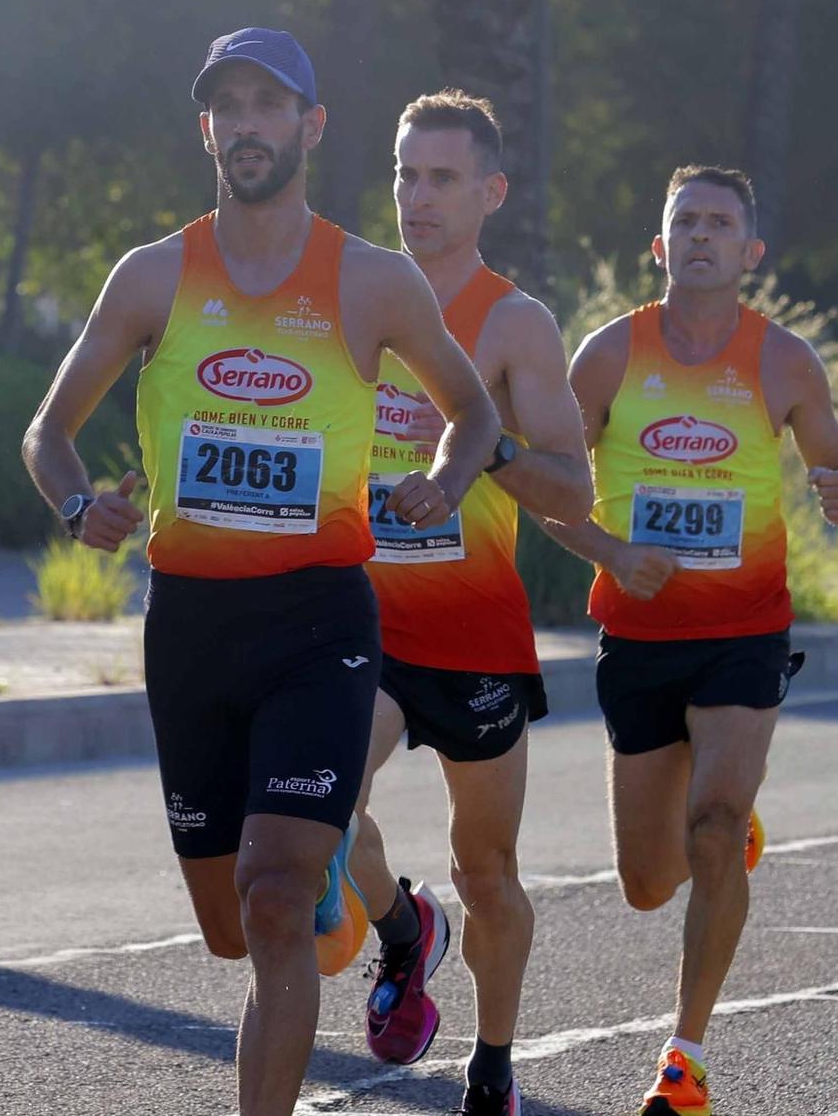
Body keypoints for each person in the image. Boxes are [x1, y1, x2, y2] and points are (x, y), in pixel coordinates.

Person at [23, 29, 499, 1116]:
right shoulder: (151, 276)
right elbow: (49, 430)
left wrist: (442, 478)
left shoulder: (370, 281)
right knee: (233, 924)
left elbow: (471, 411)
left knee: (274, 901)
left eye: (268, 104)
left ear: (309, 126)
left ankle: (321, 899)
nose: (245, 122)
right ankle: (396, 921)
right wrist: (72, 504)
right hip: (188, 623)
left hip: (316, 618)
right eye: (226, 105)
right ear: (206, 129)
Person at [544, 166, 838, 1116]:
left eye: (720, 223)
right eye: (684, 221)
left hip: (745, 631)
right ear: (660, 245)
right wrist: (610, 547)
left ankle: (684, 1061)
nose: (700, 235)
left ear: (750, 252)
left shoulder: (784, 362)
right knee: (647, 882)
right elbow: (547, 490)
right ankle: (718, 829)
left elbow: (837, 468)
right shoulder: (606, 356)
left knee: (715, 830)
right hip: (638, 636)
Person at [347, 90, 593, 1116]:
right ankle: (403, 931)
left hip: (473, 632)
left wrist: (482, 449)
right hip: (357, 621)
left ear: (489, 192)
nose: (417, 196)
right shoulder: (350, 295)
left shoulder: (513, 321)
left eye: (441, 177)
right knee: (316, 808)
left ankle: (491, 1063)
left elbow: (571, 489)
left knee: (486, 868)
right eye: (405, 173)